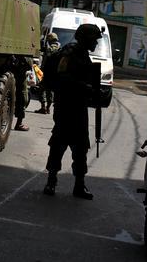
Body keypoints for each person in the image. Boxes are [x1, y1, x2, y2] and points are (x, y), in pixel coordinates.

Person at [43, 23, 102, 200]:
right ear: (85, 39)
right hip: (66, 107)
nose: (96, 43)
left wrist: (93, 91)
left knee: (81, 147)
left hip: (79, 107)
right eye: (94, 40)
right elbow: (63, 79)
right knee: (58, 144)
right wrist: (85, 88)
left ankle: (79, 185)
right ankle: (51, 181)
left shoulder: (83, 55)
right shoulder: (69, 54)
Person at [35, 32, 61, 114]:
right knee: (50, 91)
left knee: (41, 89)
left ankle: (43, 107)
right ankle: (48, 108)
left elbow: (45, 53)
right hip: (55, 73)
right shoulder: (59, 47)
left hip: (47, 71)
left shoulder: (49, 47)